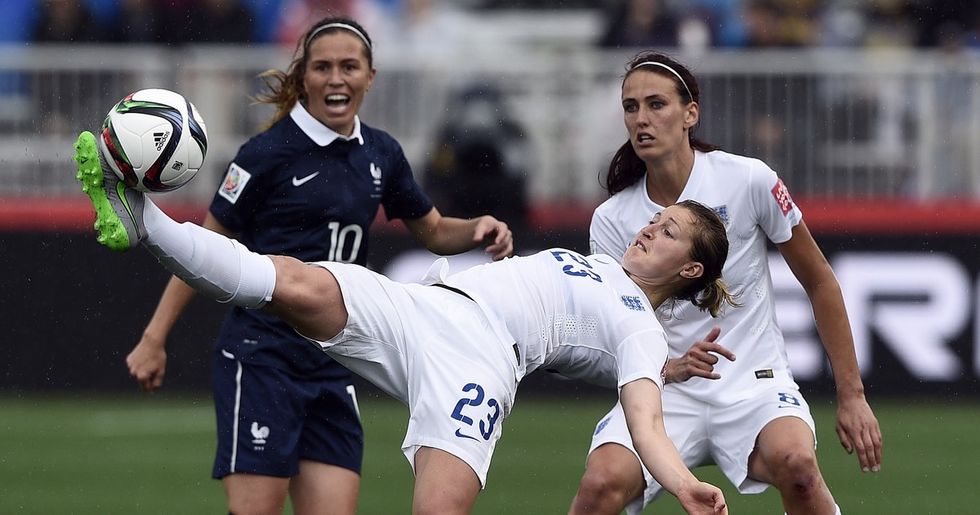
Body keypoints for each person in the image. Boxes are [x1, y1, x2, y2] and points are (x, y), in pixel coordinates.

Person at [74, 127, 731, 514]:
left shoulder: (641, 329)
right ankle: (147, 220)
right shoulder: (602, 270)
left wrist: (683, 485)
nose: (651, 225)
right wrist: (667, 366)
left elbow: (644, 419)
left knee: (438, 507)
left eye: (669, 230)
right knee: (294, 281)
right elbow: (588, 349)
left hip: (479, 361)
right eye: (657, 217)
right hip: (427, 305)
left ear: (692, 269)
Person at [121, 18, 513, 515]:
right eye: (322, 67)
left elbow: (432, 231)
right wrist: (155, 338)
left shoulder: (381, 154)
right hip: (263, 357)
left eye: (349, 67)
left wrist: (476, 226)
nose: (336, 78)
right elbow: (204, 246)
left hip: (334, 359)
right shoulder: (265, 154)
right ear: (302, 77)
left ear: (370, 76)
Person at [568, 52, 883, 515]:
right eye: (631, 107)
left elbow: (819, 280)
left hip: (754, 382)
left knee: (797, 465)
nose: (642, 119)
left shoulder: (749, 179)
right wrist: (669, 366)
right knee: (600, 485)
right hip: (666, 388)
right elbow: (613, 328)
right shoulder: (612, 220)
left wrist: (852, 395)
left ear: (690, 113)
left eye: (657, 104)